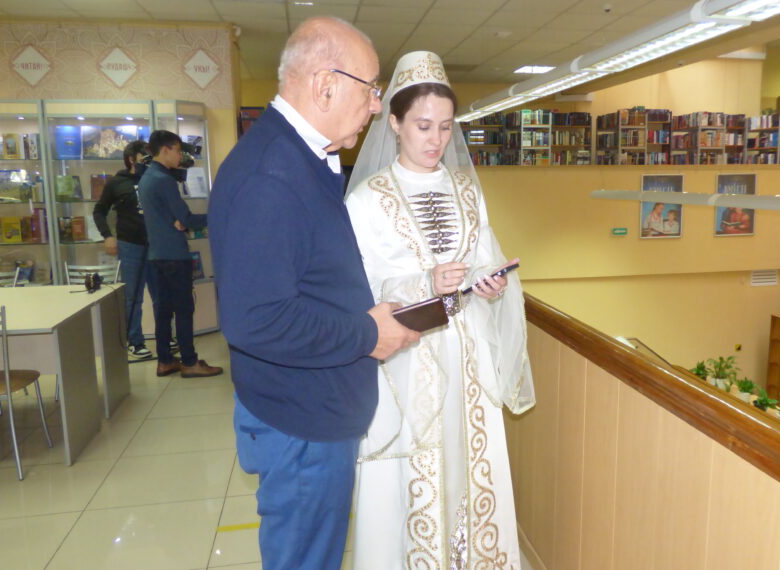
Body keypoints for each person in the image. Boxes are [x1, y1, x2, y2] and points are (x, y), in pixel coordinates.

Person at [207, 17, 420, 570]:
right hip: (299, 424)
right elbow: (257, 319)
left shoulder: (303, 157)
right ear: (326, 84)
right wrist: (367, 333)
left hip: (307, 410)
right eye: (370, 89)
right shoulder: (271, 175)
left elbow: (306, 276)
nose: (376, 105)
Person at [345, 51, 535, 569]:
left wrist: (489, 283)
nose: (436, 140)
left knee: (471, 466)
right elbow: (357, 288)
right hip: (407, 358)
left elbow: (482, 256)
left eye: (446, 127)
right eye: (423, 126)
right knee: (413, 476)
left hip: (468, 356)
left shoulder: (467, 190)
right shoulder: (367, 199)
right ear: (395, 123)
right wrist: (423, 282)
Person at [140, 130, 222, 378]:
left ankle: (165, 360)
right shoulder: (164, 180)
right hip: (174, 255)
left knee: (163, 311)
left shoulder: (147, 177)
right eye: (177, 150)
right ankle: (189, 361)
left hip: (156, 255)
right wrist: (219, 214)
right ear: (165, 150)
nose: (180, 156)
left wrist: (179, 222)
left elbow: (169, 217)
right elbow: (185, 218)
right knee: (184, 310)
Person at [92, 140, 158, 360]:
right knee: (133, 297)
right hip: (130, 246)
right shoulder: (116, 182)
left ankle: (166, 338)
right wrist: (107, 235)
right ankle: (135, 342)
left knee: (161, 295)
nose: (149, 159)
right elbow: (99, 211)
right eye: (144, 155)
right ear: (131, 159)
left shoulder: (154, 178)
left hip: (157, 245)